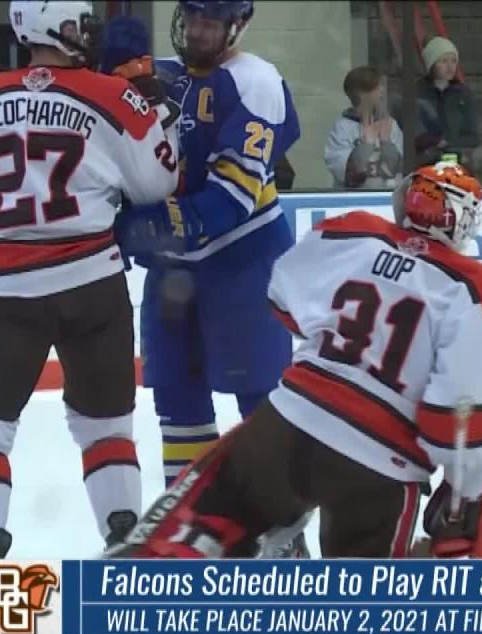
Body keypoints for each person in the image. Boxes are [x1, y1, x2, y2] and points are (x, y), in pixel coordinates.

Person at [107, 163, 482, 634]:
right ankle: (318, 613)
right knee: (361, 626)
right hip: (378, 466)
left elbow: (284, 294)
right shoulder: (478, 288)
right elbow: (459, 413)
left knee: (219, 498)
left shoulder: (353, 233)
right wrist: (468, 487)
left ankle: (149, 573)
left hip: (288, 422)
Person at [0, 2, 179, 630]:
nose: (84, 32)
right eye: (74, 22)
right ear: (42, 26)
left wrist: (15, 240)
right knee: (107, 427)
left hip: (6, 292)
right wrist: (155, 115)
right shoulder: (114, 96)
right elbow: (159, 186)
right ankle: (125, 558)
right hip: (94, 282)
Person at [116, 0, 302, 489]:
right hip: (172, 271)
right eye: (191, 18)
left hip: (243, 261)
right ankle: (191, 519)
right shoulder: (160, 74)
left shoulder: (256, 81)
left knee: (260, 400)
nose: (196, 31)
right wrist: (107, 74)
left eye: (210, 22)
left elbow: (230, 201)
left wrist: (143, 226)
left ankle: (280, 527)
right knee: (178, 400)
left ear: (235, 26)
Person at [325, 66, 404, 189]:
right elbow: (346, 175)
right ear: (362, 94)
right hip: (352, 201)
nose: (382, 91)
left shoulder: (389, 124)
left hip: (386, 199)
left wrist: (386, 142)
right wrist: (366, 145)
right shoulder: (343, 128)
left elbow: (396, 171)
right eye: (377, 87)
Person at [413, 36, 479, 167]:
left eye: (453, 61)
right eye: (443, 61)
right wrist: (432, 142)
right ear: (432, 64)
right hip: (425, 164)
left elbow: (474, 137)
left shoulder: (463, 94)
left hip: (456, 162)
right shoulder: (417, 93)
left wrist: (448, 142)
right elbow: (414, 134)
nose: (450, 66)